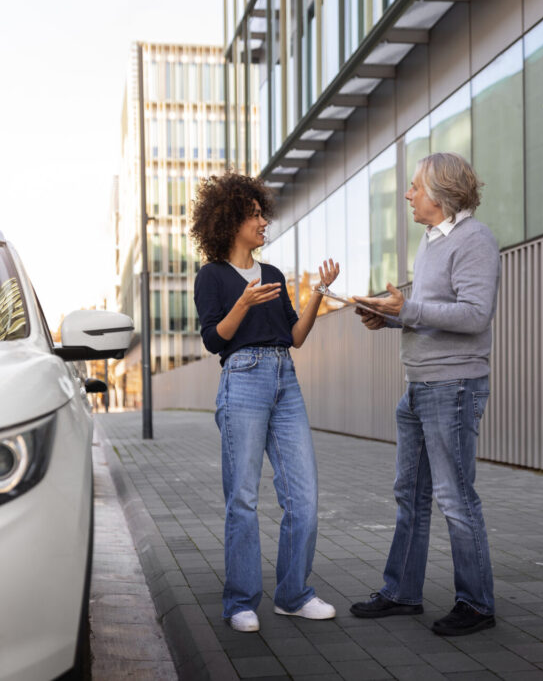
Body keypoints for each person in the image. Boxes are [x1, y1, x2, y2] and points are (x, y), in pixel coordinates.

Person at [349, 153, 501, 636]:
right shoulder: (431, 240)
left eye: (415, 187)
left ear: (439, 194)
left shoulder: (475, 240)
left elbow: (475, 315)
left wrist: (408, 309)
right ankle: (401, 593)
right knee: (409, 496)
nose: (409, 195)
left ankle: (476, 604)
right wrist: (387, 316)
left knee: (455, 499)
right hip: (418, 386)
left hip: (452, 387)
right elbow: (428, 311)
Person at [191, 171, 340, 633]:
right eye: (253, 215)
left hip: (284, 380)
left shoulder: (272, 274)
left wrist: (317, 293)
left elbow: (294, 337)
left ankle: (293, 594)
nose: (262, 222)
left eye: (262, 214)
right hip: (243, 379)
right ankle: (240, 601)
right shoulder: (212, 276)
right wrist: (244, 302)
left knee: (305, 496)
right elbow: (215, 340)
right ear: (229, 221)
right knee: (243, 497)